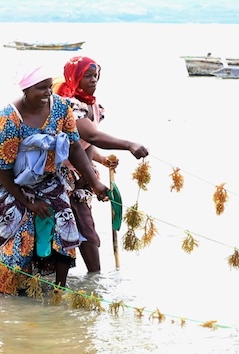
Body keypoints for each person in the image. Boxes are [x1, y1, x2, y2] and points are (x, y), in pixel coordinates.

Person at [0, 65, 110, 294]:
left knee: (65, 220)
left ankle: (58, 291)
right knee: (21, 234)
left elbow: (74, 147)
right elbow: (1, 168)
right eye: (41, 89)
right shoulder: (8, 118)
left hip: (46, 173)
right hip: (7, 179)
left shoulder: (61, 108)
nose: (47, 93)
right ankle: (4, 294)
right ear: (26, 90)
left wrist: (94, 181)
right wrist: (28, 202)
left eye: (49, 88)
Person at [54, 56, 149, 273]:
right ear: (74, 77)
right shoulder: (68, 104)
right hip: (57, 175)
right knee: (62, 232)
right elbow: (92, 136)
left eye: (96, 75)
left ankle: (94, 279)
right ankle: (57, 285)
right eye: (87, 75)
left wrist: (102, 160)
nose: (93, 80)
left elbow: (84, 144)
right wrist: (129, 145)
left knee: (87, 227)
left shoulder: (92, 104)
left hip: (81, 174)